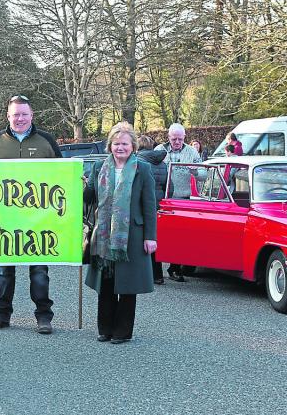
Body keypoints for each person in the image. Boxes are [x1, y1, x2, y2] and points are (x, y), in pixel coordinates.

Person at [0, 95, 62, 334]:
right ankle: (1, 316)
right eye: (15, 114)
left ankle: (44, 317)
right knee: (4, 271)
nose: (20, 118)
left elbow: (62, 175)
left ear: (32, 115)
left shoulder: (47, 141)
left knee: (39, 271)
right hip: (5, 218)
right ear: (8, 116)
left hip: (39, 218)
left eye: (24, 114)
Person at [84, 122, 156, 344]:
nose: (120, 148)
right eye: (116, 144)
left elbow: (149, 205)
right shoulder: (98, 168)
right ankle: (105, 329)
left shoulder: (142, 169)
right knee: (105, 282)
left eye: (124, 143)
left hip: (131, 235)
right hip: (104, 236)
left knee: (127, 284)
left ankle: (122, 331)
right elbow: (89, 198)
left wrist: (150, 237)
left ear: (133, 146)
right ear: (110, 146)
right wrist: (83, 186)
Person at [155, 123, 201, 282]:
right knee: (160, 234)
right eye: (174, 139)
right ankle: (156, 271)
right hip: (163, 198)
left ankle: (175, 268)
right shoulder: (159, 150)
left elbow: (203, 175)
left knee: (180, 236)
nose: (177, 142)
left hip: (183, 198)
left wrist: (195, 170)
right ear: (168, 137)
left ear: (184, 138)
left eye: (180, 139)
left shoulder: (192, 151)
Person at [136, 135, 167, 285]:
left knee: (141, 240)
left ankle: (144, 275)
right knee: (152, 238)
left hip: (142, 205)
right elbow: (170, 186)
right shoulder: (162, 163)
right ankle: (158, 275)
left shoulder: (138, 161)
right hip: (158, 205)